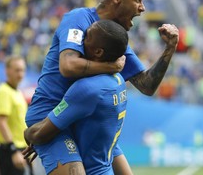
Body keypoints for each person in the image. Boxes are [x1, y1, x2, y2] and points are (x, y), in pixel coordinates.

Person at [25, 0, 179, 175]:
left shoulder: (114, 38)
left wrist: (169, 49)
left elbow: (146, 85)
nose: (142, 8)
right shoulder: (78, 19)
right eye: (138, 0)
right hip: (50, 115)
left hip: (84, 118)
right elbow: (68, 66)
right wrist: (110, 67)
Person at [24, 19, 130, 175]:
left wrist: (27, 135)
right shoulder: (118, 81)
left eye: (87, 37)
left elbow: (40, 133)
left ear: (98, 52)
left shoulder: (87, 88)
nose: (80, 40)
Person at [0, 56, 34, 175]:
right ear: (7, 70)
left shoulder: (17, 91)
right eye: (17, 70)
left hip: (22, 149)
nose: (21, 74)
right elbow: (1, 122)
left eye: (23, 70)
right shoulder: (4, 91)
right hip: (11, 150)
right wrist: (13, 151)